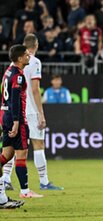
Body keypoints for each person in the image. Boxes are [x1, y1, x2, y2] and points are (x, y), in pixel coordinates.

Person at [2, 34, 63, 192]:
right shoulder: (35, 61)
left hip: (12, 111)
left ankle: (6, 178)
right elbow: (35, 90)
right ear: (35, 45)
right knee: (37, 144)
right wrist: (41, 113)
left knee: (11, 148)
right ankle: (43, 182)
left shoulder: (12, 65)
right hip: (28, 111)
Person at [0, 45, 36, 206]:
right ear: (20, 58)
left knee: (6, 155)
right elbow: (14, 98)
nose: (29, 56)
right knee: (21, 155)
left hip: (5, 116)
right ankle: (25, 191)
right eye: (27, 55)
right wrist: (16, 121)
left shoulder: (8, 71)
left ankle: (7, 194)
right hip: (17, 119)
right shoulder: (18, 76)